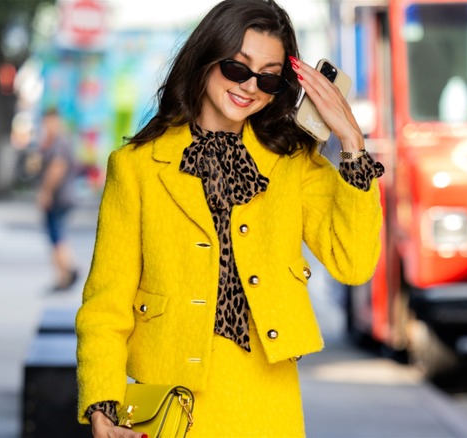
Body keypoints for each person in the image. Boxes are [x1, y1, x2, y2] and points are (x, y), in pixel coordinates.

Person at [75, 1, 386, 436]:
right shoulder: (136, 167)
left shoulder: (293, 163)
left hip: (268, 405)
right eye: (237, 67)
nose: (250, 86)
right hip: (172, 404)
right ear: (206, 58)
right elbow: (105, 306)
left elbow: (353, 263)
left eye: (268, 76)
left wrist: (352, 141)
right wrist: (101, 403)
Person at [36, 108, 79, 291]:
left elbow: (57, 168)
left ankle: (67, 271)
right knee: (57, 234)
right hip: (63, 196)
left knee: (56, 235)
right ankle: (64, 273)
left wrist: (45, 192)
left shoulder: (59, 143)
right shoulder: (57, 141)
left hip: (59, 197)